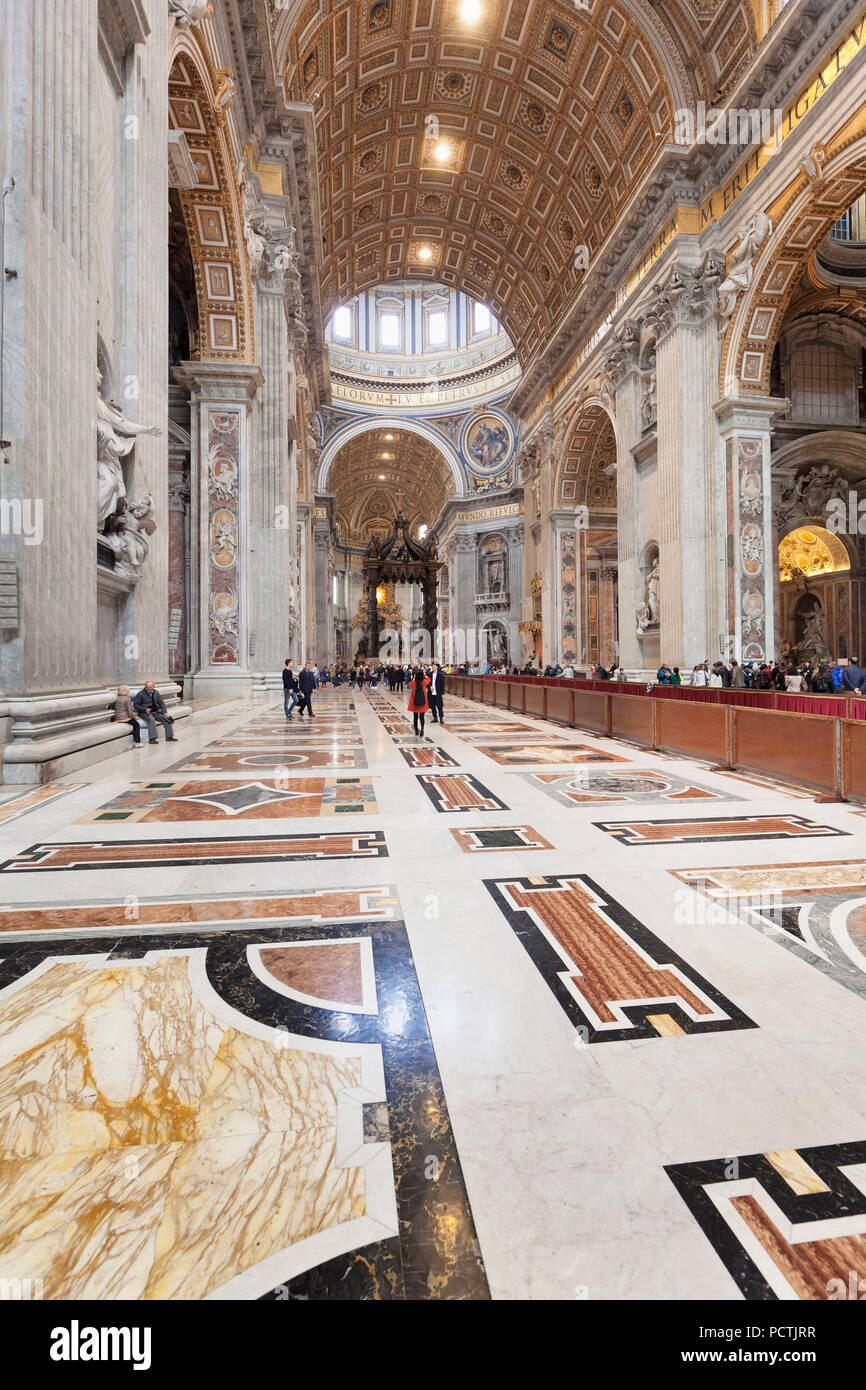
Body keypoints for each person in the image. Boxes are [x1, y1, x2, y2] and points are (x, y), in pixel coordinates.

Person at [408, 665, 431, 736]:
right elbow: (429, 679)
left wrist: (414, 679)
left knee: (415, 717)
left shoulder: (414, 682)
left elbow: (409, 685)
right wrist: (425, 675)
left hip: (414, 702)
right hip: (422, 702)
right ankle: (422, 730)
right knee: (422, 717)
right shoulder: (424, 682)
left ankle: (416, 731)